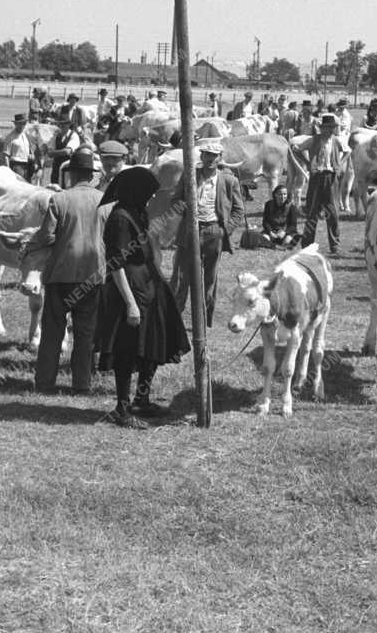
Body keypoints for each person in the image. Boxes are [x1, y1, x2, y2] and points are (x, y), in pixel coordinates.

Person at [95, 166, 190, 427]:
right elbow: (115, 264)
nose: (150, 198)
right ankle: (122, 409)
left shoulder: (138, 212)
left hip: (150, 287)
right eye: (147, 193)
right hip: (130, 290)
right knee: (127, 350)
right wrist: (130, 304)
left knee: (153, 344)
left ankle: (142, 398)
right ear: (135, 191)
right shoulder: (120, 219)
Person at [25, 149, 104, 395]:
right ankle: (81, 384)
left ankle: (45, 382)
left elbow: (47, 236)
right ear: (91, 175)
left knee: (52, 331)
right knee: (85, 332)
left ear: (71, 174)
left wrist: (31, 246)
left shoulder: (59, 200)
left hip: (60, 275)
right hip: (92, 274)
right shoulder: (105, 200)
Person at [171, 138, 245, 326]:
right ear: (201, 156)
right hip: (190, 230)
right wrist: (183, 207)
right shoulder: (190, 176)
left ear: (220, 158)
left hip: (214, 231)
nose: (210, 159)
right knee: (182, 276)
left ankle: (204, 320)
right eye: (207, 155)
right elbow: (175, 200)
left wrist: (225, 229)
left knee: (210, 278)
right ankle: (175, 320)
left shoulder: (229, 180)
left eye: (214, 155)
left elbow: (238, 210)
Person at [300, 114, 345, 255]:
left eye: (333, 127)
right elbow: (297, 148)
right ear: (322, 128)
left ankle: (335, 245)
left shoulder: (337, 141)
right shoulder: (314, 140)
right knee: (312, 211)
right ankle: (307, 245)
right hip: (316, 177)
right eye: (328, 127)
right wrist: (308, 163)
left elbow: (348, 151)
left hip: (331, 178)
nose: (331, 130)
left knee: (332, 213)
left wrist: (340, 164)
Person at [6, 113, 33, 180]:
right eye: (20, 123)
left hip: (27, 165)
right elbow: (6, 155)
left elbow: (30, 149)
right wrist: (8, 170)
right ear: (16, 124)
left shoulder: (27, 135)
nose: (22, 125)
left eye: (24, 123)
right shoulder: (10, 137)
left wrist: (32, 155)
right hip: (16, 165)